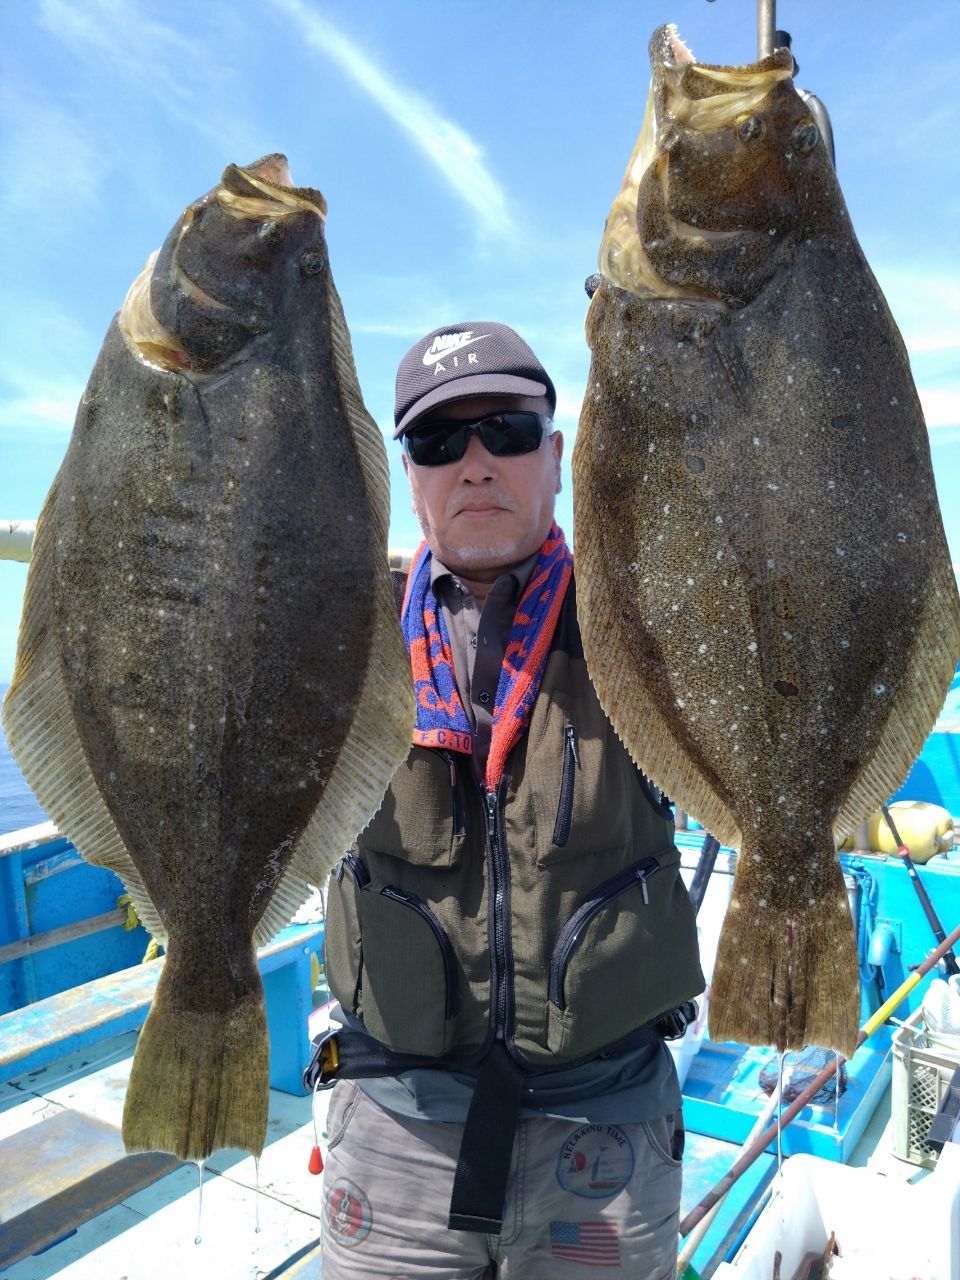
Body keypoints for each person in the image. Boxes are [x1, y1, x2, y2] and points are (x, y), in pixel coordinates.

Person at [309, 322, 704, 1279]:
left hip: (602, 1126)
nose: (476, 462)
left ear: (558, 456)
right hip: (397, 1124)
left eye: (507, 431)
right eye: (440, 442)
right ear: (409, 476)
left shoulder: (653, 613)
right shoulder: (332, 631)